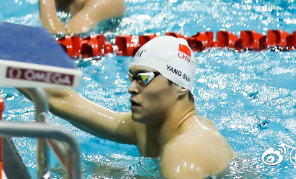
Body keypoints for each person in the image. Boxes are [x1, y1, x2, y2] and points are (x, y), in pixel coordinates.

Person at [26, 35, 235, 179]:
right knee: (69, 170)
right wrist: (5, 65)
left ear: (180, 85)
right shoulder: (148, 127)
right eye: (131, 78)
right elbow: (65, 100)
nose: (131, 88)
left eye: (143, 78)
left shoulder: (184, 154)